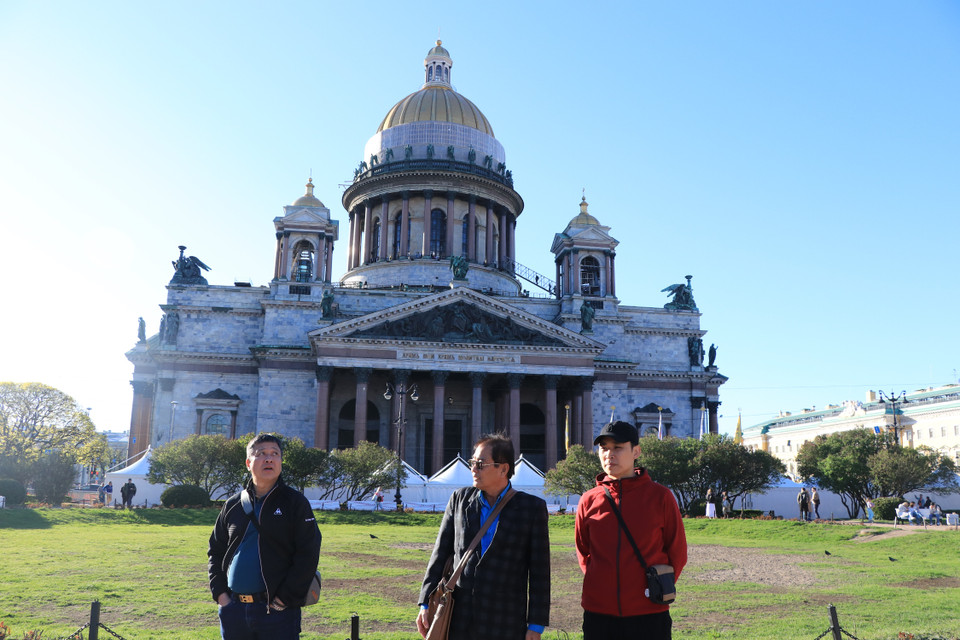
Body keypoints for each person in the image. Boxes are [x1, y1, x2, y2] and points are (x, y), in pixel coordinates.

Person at [416, 433, 550, 640]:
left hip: (505, 620)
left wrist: (536, 624)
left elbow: (540, 571)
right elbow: (440, 553)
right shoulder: (459, 500)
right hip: (459, 616)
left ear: (503, 468)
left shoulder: (531, 508)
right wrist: (425, 602)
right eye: (473, 463)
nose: (473, 469)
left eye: (480, 464)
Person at [576, 421, 687, 640]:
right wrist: (602, 585)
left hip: (648, 612)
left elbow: (677, 554)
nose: (609, 454)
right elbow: (584, 553)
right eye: (604, 448)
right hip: (599, 613)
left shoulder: (660, 497)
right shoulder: (588, 500)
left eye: (617, 447)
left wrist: (655, 587)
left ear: (636, 451)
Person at [208, 433, 322, 640]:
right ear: (248, 463)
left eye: (275, 454)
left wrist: (282, 601)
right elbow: (215, 550)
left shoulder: (295, 503)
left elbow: (308, 554)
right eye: (261, 454)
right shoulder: (233, 504)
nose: (269, 458)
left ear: (280, 461)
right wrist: (221, 595)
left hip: (277, 612)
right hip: (233, 609)